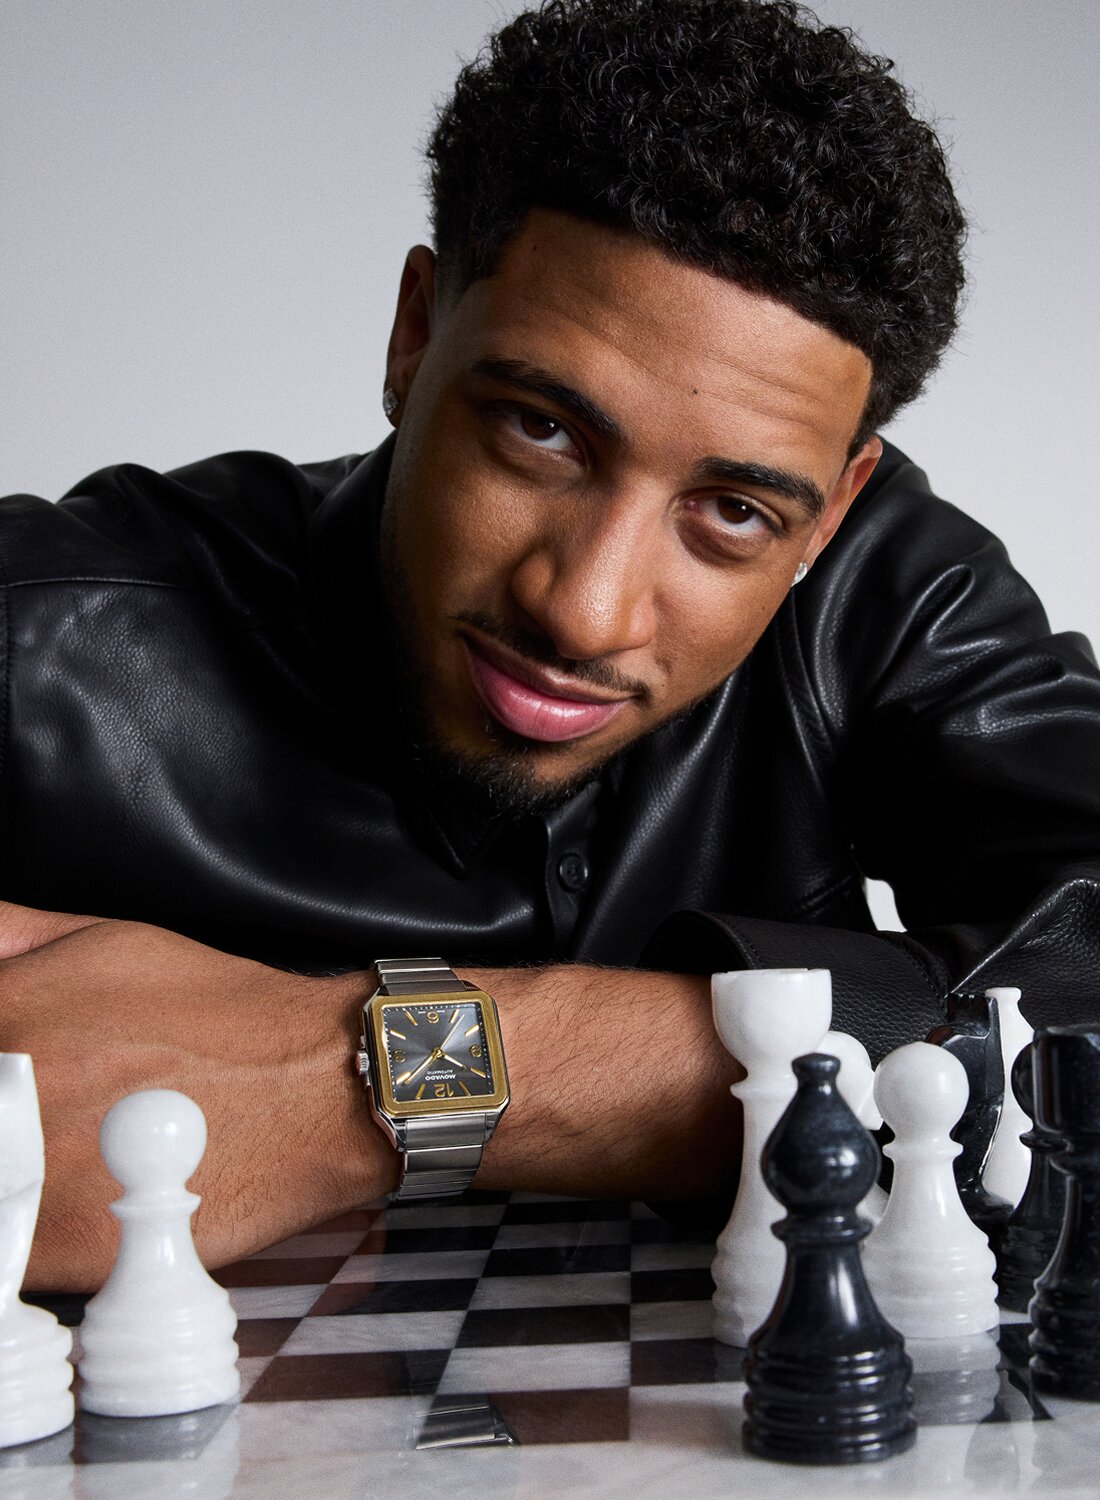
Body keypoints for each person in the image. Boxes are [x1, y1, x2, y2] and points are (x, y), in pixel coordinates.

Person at [4, 0, 1100, 1290]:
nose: (584, 612)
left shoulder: (884, 600)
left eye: (734, 515)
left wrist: (364, 1073)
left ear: (840, 503)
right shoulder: (45, 635)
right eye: (540, 432)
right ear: (416, 332)